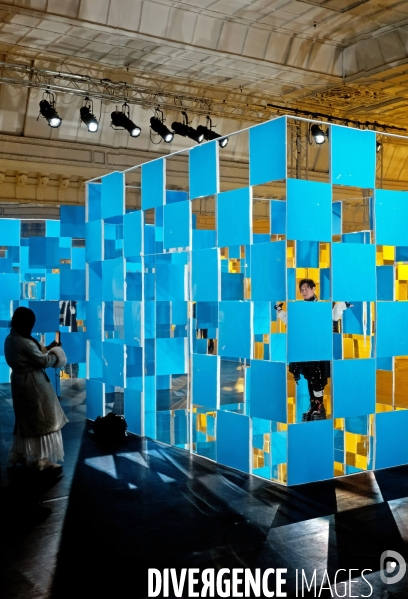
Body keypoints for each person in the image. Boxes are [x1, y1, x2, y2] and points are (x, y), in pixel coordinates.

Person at [274, 278, 350, 421]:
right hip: (304, 349)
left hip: (318, 349)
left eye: (306, 289)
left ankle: (319, 406)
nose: (303, 292)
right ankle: (314, 405)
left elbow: (333, 317)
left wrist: (343, 305)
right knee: (309, 377)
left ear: (313, 289)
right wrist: (279, 310)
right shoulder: (299, 308)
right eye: (301, 290)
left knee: (317, 378)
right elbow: (290, 321)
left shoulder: (321, 306)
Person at [4, 307, 68, 471]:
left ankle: (25, 455)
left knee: (28, 422)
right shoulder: (24, 341)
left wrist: (50, 347)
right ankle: (42, 459)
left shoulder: (10, 339)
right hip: (33, 384)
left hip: (21, 383)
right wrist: (57, 354)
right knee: (43, 421)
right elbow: (42, 361)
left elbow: (33, 355)